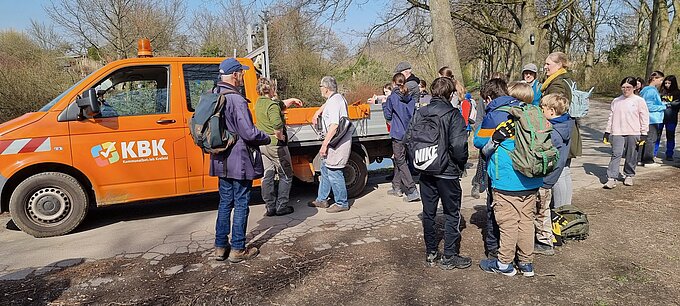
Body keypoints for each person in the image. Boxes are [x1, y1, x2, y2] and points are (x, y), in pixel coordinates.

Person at [475, 78, 543, 277]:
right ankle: (526, 263)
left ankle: (504, 263)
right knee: (526, 221)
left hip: (507, 179)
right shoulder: (530, 109)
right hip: (532, 176)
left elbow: (479, 141)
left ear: (488, 98)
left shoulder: (496, 115)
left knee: (508, 222)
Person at [211, 58, 271, 263]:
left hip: (220, 158)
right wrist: (266, 136)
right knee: (242, 202)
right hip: (238, 159)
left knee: (225, 202)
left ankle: (220, 247)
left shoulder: (214, 94)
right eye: (241, 73)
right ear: (235, 75)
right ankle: (237, 248)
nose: (243, 77)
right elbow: (248, 132)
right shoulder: (236, 99)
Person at [408, 77, 471, 270]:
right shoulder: (453, 114)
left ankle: (431, 252)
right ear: (450, 94)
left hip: (425, 169)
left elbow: (408, 139)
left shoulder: (420, 112)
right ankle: (450, 256)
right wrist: (460, 164)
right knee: (452, 213)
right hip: (447, 172)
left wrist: (417, 163)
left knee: (429, 213)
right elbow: (459, 146)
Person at [254, 78, 303, 217]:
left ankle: (270, 207)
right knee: (286, 175)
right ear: (270, 89)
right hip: (276, 146)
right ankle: (282, 206)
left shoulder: (259, 103)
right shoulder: (272, 106)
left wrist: (292, 100)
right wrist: (281, 137)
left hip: (263, 144)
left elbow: (281, 104)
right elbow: (277, 125)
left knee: (267, 176)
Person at [535, 93, 574, 256]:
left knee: (541, 211)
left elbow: (549, 158)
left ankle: (545, 242)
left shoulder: (554, 133)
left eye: (542, 108)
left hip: (545, 178)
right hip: (550, 177)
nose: (540, 110)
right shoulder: (565, 125)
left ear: (551, 111)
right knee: (541, 209)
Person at [308, 76, 352, 213]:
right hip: (336, 140)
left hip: (336, 141)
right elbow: (328, 104)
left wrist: (324, 145)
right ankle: (322, 199)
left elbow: (334, 126)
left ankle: (342, 202)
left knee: (334, 170)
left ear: (326, 88)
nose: (320, 89)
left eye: (321, 86)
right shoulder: (335, 98)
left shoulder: (334, 102)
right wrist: (318, 112)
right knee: (325, 168)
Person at [541, 52, 577, 206]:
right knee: (564, 170)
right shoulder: (565, 79)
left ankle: (562, 211)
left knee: (559, 170)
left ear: (560, 64)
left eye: (548, 64)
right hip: (567, 127)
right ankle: (565, 208)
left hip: (558, 128)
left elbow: (555, 107)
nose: (545, 67)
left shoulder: (557, 83)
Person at [603, 77, 650, 189]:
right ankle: (611, 178)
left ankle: (629, 174)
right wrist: (607, 131)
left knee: (631, 154)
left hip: (633, 132)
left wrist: (644, 133)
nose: (625, 90)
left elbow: (644, 117)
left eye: (628, 87)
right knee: (616, 154)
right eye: (623, 87)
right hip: (617, 131)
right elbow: (611, 116)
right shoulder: (616, 101)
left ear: (634, 87)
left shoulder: (639, 101)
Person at [384, 73, 420, 202]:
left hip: (398, 133)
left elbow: (387, 115)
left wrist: (384, 104)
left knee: (400, 160)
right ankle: (396, 186)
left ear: (394, 83)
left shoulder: (392, 98)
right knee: (401, 159)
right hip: (409, 132)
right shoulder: (410, 97)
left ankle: (412, 189)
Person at [639, 71, 666, 167]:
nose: (661, 82)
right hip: (652, 119)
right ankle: (648, 160)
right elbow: (649, 106)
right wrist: (663, 107)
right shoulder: (651, 91)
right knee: (651, 139)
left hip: (648, 118)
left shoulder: (645, 89)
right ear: (654, 78)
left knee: (646, 138)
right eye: (660, 79)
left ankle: (641, 159)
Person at [658, 75, 680, 160]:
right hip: (660, 117)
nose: (667, 85)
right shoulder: (661, 92)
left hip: (671, 118)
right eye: (665, 83)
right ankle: (653, 153)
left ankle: (669, 154)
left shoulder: (677, 93)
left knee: (670, 136)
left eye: (669, 83)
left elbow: (677, 104)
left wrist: (668, 104)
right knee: (657, 135)